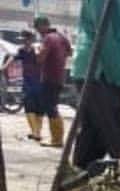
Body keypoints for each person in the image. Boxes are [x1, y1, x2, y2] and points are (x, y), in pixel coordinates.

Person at [71, 0, 120, 169]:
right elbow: (104, 38)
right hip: (96, 70)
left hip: (101, 71)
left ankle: (76, 183)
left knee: (93, 139)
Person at [33, 16, 71, 148]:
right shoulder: (61, 37)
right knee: (53, 106)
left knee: (50, 107)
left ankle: (57, 139)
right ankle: (57, 137)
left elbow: (40, 58)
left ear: (43, 26)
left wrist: (37, 51)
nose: (38, 31)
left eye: (38, 28)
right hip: (60, 77)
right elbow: (70, 52)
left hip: (49, 77)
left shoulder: (48, 39)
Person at [4, 31, 42, 141]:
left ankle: (37, 132)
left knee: (39, 108)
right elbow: (13, 57)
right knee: (29, 107)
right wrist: (5, 66)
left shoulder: (38, 49)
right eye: (23, 40)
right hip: (28, 83)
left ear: (31, 39)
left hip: (39, 82)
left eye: (26, 39)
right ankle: (35, 132)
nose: (24, 41)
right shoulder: (21, 50)